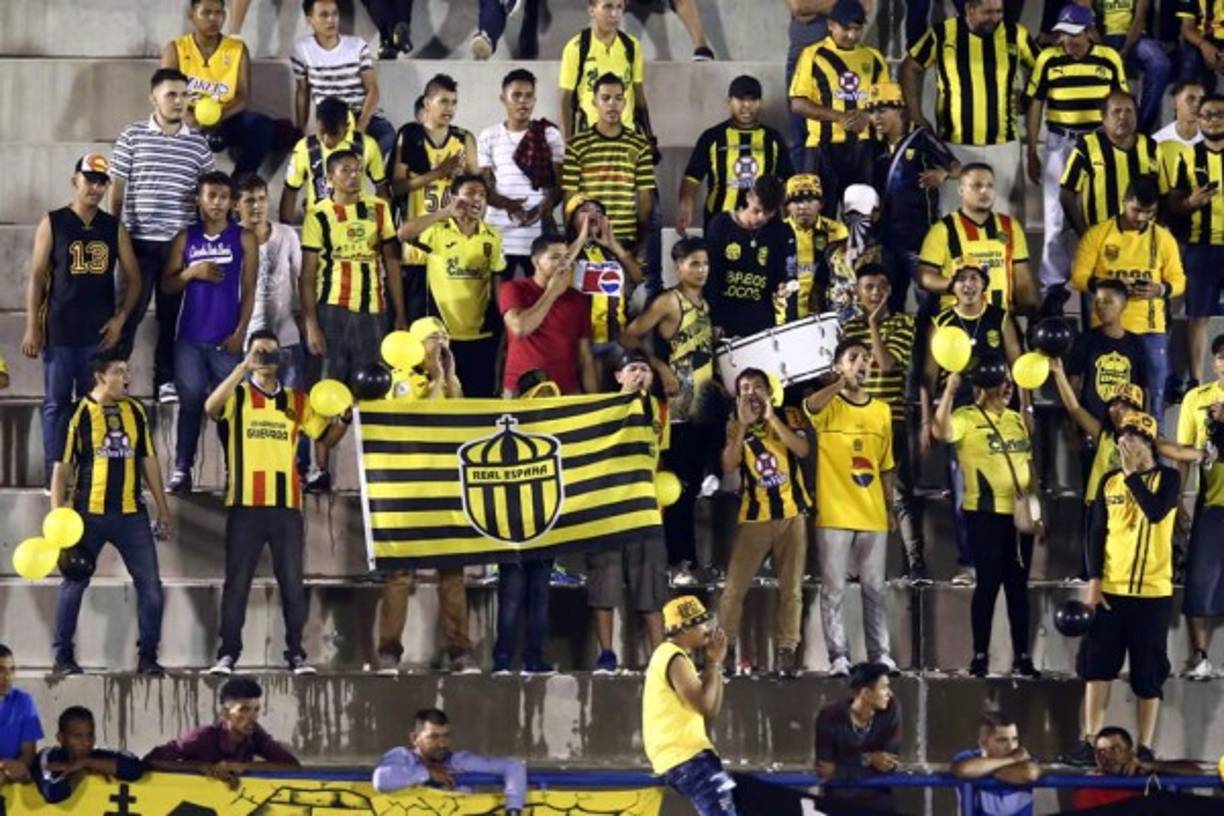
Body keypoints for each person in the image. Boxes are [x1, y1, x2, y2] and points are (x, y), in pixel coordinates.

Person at [206, 331, 351, 676]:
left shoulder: (297, 401)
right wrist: (242, 367)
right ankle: (228, 654)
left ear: (282, 358)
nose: (265, 358)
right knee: (236, 582)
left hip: (286, 505)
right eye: (259, 352)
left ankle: (296, 654)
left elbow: (326, 439)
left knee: (291, 583)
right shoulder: (238, 397)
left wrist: (343, 420)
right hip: (245, 503)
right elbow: (211, 408)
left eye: (271, 352)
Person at [1064, 410, 1178, 766]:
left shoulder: (1168, 479)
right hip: (1111, 591)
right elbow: (1096, 533)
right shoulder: (1109, 481)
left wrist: (1132, 476)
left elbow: (1156, 511)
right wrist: (1093, 582)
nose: (1124, 445)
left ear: (1148, 444)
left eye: (1132, 439)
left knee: (1147, 673)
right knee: (1097, 666)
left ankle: (1143, 745)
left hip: (1152, 593)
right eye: (1121, 439)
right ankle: (1088, 740)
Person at [22, 154, 142, 484]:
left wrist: (120, 319)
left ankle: (90, 474)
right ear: (75, 180)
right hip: (59, 329)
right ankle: (54, 475)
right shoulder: (54, 221)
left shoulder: (111, 227)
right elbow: (35, 277)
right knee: (57, 405)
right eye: (89, 179)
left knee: (95, 406)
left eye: (102, 181)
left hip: (98, 335)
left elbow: (135, 278)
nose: (95, 186)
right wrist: (32, 325)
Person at [51, 351, 173, 676]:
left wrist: (163, 507)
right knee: (73, 582)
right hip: (87, 514)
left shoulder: (135, 410)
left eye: (127, 371)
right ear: (101, 376)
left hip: (132, 515)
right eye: (120, 372)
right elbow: (62, 468)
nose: (127, 377)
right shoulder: (78, 413)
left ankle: (148, 657)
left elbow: (148, 459)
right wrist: (57, 517)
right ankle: (63, 657)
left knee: (151, 586)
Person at [375, 317, 479, 676]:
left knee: (452, 574)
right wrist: (436, 378)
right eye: (435, 337)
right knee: (400, 575)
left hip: (445, 487)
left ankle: (460, 652)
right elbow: (423, 422)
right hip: (407, 489)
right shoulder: (400, 381)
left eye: (445, 336)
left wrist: (448, 378)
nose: (442, 343)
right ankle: (389, 651)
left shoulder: (452, 382)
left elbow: (459, 421)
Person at [301, 149, 405, 492]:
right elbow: (308, 275)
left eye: (358, 170)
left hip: (373, 310)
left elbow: (391, 264)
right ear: (329, 178)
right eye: (346, 170)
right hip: (332, 310)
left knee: (374, 387)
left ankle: (379, 472)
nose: (354, 176)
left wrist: (400, 314)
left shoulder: (379, 209)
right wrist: (311, 324)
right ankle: (320, 470)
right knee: (328, 389)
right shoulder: (317, 215)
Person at [110, 68, 217, 402]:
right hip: (138, 242)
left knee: (172, 316)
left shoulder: (199, 146)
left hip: (178, 245)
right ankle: (111, 376)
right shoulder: (133, 136)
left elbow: (206, 196)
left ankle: (165, 382)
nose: (178, 101)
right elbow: (118, 192)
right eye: (171, 94)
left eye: (184, 95)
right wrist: (118, 236)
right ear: (153, 98)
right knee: (127, 314)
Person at [933, 361, 1041, 678]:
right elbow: (940, 432)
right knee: (988, 586)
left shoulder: (1015, 420)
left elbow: (1028, 464)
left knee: (1019, 588)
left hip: (1019, 518)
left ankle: (1023, 656)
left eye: (1010, 382)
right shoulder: (966, 417)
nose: (1008, 387)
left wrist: (1037, 510)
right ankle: (980, 654)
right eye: (1002, 382)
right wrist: (950, 392)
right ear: (984, 385)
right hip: (985, 514)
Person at [921, 265, 1024, 585]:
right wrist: (927, 418)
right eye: (961, 279)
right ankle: (968, 562)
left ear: (984, 286)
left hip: (999, 409)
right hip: (960, 410)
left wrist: (1027, 408)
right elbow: (926, 376)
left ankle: (1009, 558)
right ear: (952, 286)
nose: (967, 285)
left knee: (1009, 484)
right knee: (962, 488)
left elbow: (1018, 363)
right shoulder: (941, 322)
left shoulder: (1000, 318)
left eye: (974, 279)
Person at [622, 238, 716, 578]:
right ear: (678, 266)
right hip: (677, 408)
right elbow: (629, 335)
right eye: (694, 263)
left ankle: (687, 558)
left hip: (702, 405)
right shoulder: (668, 301)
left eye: (705, 263)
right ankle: (677, 560)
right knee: (676, 487)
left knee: (692, 486)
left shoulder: (704, 304)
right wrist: (659, 367)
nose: (701, 270)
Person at [1025, 5, 1129, 305]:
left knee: (1101, 215)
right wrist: (1032, 149)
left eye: (1074, 34)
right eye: (1063, 34)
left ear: (1089, 32)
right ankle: (1054, 287)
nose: (1068, 41)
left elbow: (1120, 102)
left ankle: (1104, 275)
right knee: (1055, 218)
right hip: (1061, 141)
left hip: (1098, 141)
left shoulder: (1108, 59)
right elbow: (1035, 105)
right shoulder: (1048, 59)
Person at [160, 171, 257, 493]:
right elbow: (168, 285)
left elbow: (250, 288)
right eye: (211, 195)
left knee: (229, 407)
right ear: (199, 199)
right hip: (189, 337)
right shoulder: (186, 238)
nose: (217, 202)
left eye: (224, 197)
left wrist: (241, 332)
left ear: (232, 202)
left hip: (226, 337)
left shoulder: (244, 238)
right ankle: (182, 469)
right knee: (190, 405)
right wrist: (192, 271)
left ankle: (235, 471)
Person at [806, 338, 897, 676]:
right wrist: (840, 383)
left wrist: (889, 508)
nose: (863, 364)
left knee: (875, 588)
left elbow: (885, 465)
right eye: (854, 358)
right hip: (835, 513)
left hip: (872, 513)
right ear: (838, 366)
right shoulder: (827, 405)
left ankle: (881, 655)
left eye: (867, 359)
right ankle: (838, 657)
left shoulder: (882, 410)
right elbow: (811, 408)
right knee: (834, 590)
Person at [901, 0, 1039, 215]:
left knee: (1001, 218)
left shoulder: (1016, 34)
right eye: (988, 12)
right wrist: (915, 114)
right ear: (969, 10)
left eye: (999, 11)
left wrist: (1028, 97)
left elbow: (1042, 68)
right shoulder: (942, 34)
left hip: (1003, 147)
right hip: (955, 147)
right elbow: (909, 67)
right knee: (954, 216)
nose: (995, 18)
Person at [717, 368, 810, 676]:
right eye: (744, 387)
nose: (751, 392)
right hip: (755, 517)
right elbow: (728, 465)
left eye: (757, 386)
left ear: (769, 392)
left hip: (791, 515)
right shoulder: (733, 425)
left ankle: (787, 652)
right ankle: (724, 651)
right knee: (733, 588)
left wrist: (772, 418)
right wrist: (742, 426)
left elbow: (802, 449)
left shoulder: (790, 416)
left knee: (791, 589)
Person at [1071, 176, 1185, 421]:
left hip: (1150, 329)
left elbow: (1179, 280)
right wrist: (1112, 287)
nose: (1142, 218)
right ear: (1124, 202)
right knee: (1104, 396)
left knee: (1153, 397)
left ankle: (1151, 450)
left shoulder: (1163, 238)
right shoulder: (1099, 234)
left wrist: (1160, 290)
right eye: (1136, 210)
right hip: (1106, 331)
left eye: (1149, 212)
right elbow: (1079, 277)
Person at [586, 349, 668, 673]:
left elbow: (660, 455)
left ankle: (660, 658)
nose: (639, 374)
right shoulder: (601, 409)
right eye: (632, 369)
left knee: (651, 589)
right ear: (618, 376)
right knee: (603, 586)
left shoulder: (658, 411)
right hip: (607, 511)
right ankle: (606, 654)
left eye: (644, 369)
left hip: (646, 511)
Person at [841, 264, 924, 581]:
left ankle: (915, 564)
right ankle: (854, 567)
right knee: (856, 494)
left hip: (891, 420)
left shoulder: (904, 323)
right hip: (856, 422)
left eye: (880, 287)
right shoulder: (849, 329)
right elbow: (846, 374)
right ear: (858, 293)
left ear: (890, 291)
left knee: (900, 495)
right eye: (868, 288)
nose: (874, 293)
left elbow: (888, 364)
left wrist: (875, 326)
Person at [397, 174, 506, 398]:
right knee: (445, 394)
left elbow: (497, 281)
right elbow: (403, 233)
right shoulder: (438, 231)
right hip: (444, 337)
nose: (477, 199)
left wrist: (501, 321)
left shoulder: (492, 237)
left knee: (479, 398)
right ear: (454, 197)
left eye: (482, 195)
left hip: (481, 335)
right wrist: (445, 212)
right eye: (470, 194)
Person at [865, 82, 960, 314]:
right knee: (891, 303)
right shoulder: (874, 147)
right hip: (887, 239)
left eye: (882, 110)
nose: (876, 117)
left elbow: (958, 168)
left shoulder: (921, 137)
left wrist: (943, 174)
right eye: (871, 111)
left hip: (920, 239)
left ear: (899, 110)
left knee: (928, 304)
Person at [393, 73, 480, 322]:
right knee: (418, 328)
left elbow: (477, 190)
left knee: (453, 328)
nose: (450, 108)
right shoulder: (410, 135)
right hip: (417, 250)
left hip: (455, 250)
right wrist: (438, 173)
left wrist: (465, 180)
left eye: (454, 102)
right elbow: (397, 188)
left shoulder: (464, 138)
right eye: (443, 101)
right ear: (427, 103)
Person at [789, 0, 888, 216]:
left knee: (863, 222)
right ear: (831, 25)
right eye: (846, 28)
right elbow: (797, 103)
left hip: (863, 149)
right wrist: (840, 117)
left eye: (857, 29)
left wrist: (868, 117)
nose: (852, 35)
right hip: (823, 149)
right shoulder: (812, 55)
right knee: (820, 223)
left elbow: (886, 104)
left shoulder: (873, 58)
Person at [643, 596, 737, 816]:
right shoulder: (672, 657)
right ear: (683, 629)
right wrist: (713, 663)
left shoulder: (677, 658)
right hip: (687, 758)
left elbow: (712, 709)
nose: (707, 629)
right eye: (700, 623)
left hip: (686, 758)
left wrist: (716, 663)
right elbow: (705, 705)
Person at [161, 0, 276, 176]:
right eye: (206, 13)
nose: (214, 18)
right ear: (191, 16)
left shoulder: (237, 49)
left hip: (226, 117)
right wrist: (189, 117)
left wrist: (219, 116)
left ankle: (240, 183)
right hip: (188, 118)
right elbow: (166, 94)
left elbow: (243, 97)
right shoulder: (175, 49)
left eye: (219, 13)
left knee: (261, 126)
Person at [678, 75, 793, 235]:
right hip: (720, 221)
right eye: (740, 99)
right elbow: (692, 176)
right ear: (729, 102)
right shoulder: (712, 137)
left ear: (760, 103)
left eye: (753, 100)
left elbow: (787, 180)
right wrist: (686, 204)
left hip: (764, 223)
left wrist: (786, 215)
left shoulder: (773, 138)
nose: (747, 105)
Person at [478, 68, 564, 280]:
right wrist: (509, 205)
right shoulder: (489, 136)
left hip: (537, 237)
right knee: (495, 305)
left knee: (536, 301)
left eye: (528, 96)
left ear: (534, 100)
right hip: (497, 234)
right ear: (503, 99)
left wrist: (539, 211)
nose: (523, 101)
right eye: (516, 95)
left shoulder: (549, 135)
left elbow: (560, 185)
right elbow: (484, 188)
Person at [917, 163, 1038, 314]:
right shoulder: (942, 229)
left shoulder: (1011, 226)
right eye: (977, 185)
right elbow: (924, 275)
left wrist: (1032, 314)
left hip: (1001, 319)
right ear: (961, 190)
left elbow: (1022, 277)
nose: (984, 191)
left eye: (990, 186)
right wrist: (955, 285)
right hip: (957, 320)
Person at [561, 73, 656, 260]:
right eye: (605, 98)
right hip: (587, 239)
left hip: (624, 239)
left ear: (625, 103)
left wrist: (641, 241)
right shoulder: (577, 145)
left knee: (623, 289)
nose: (612, 104)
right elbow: (569, 195)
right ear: (595, 102)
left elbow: (645, 197)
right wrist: (572, 237)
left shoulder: (640, 145)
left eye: (618, 98)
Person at [145, 676, 300, 786]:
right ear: (225, 714)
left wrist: (243, 767)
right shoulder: (202, 736)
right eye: (244, 710)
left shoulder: (256, 734)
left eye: (256, 710)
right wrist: (202, 767)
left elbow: (292, 766)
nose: (252, 717)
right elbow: (151, 761)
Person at [1169, 93, 1224, 395]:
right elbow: (1174, 204)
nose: (1213, 119)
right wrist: (1191, 202)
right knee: (1197, 316)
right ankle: (1195, 381)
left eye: (1219, 114)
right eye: (1207, 114)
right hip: (1200, 247)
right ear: (1198, 119)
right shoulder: (1187, 157)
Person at [292, 0, 394, 159]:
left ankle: (356, 168)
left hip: (361, 113)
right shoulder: (302, 49)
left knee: (387, 136)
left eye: (334, 14)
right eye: (324, 15)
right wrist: (300, 129)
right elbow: (302, 91)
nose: (331, 20)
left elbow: (372, 89)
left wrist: (360, 127)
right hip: (329, 117)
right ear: (309, 19)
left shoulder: (357, 46)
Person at [373, 708, 526, 814]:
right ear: (414, 738)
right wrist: (428, 773)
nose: (442, 743)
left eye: (446, 736)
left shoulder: (458, 761)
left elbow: (512, 766)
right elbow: (382, 780)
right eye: (433, 737)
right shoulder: (402, 756)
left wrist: (513, 810)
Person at [1178, 336, 1224, 680]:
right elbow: (1182, 455)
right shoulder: (1196, 399)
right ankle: (1200, 656)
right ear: (1214, 362)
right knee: (1198, 583)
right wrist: (1178, 499)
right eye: (1222, 357)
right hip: (1211, 504)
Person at [500, 234, 598, 396]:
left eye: (567, 257)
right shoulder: (513, 289)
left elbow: (585, 356)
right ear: (536, 262)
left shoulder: (578, 298)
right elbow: (520, 328)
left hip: (566, 388)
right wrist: (552, 292)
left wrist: (595, 400)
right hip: (521, 389)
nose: (563, 264)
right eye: (555, 257)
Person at [236, 174, 306, 394]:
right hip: (247, 340)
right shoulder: (230, 238)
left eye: (262, 199)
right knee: (251, 411)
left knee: (294, 405)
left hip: (286, 337)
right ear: (236, 205)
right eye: (249, 200)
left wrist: (307, 319)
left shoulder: (287, 235)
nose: (257, 206)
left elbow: (303, 278)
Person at [1060, 92, 1160, 244]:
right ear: (1104, 117)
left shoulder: (1151, 147)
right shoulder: (1087, 146)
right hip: (1100, 240)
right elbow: (1066, 194)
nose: (1123, 117)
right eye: (1116, 111)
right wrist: (1084, 234)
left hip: (1142, 241)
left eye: (1129, 111)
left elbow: (1164, 193)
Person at [704, 175, 794, 339]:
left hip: (761, 319)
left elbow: (782, 273)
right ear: (749, 197)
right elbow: (711, 277)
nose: (761, 218)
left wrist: (783, 285)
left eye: (768, 213)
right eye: (757, 210)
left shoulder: (780, 232)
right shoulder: (720, 224)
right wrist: (714, 320)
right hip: (725, 315)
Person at [280, 96, 389, 225]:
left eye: (334, 134)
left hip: (357, 226)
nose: (326, 140)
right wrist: (285, 229)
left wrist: (383, 229)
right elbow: (290, 191)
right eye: (322, 132)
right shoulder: (304, 148)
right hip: (317, 227)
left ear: (347, 127)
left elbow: (382, 190)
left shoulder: (367, 146)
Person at [558, 0, 653, 142]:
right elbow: (565, 99)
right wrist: (567, 141)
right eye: (608, 6)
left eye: (619, 7)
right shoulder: (577, 47)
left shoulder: (632, 46)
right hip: (590, 139)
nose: (614, 14)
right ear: (592, 10)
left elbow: (638, 94)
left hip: (627, 139)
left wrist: (649, 136)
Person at [814, 662, 901, 810]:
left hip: (878, 799)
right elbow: (824, 769)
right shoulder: (830, 715)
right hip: (838, 800)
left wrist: (843, 767)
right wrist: (870, 759)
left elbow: (888, 764)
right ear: (866, 693)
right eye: (884, 687)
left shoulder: (891, 708)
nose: (889, 693)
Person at [566, 194, 644, 357]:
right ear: (571, 220)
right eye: (585, 211)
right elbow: (559, 267)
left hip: (616, 334)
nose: (592, 215)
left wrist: (615, 246)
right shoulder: (563, 247)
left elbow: (638, 277)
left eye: (598, 212)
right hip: (581, 338)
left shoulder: (611, 250)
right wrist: (581, 238)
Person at [1063, 279, 1150, 424]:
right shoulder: (1086, 340)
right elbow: (1074, 383)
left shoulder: (1136, 343)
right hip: (1091, 422)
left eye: (1108, 302)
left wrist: (1143, 424)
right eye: (1098, 301)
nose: (1101, 307)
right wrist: (1073, 425)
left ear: (1123, 305)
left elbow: (1145, 388)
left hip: (1126, 426)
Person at [1071, 726, 1203, 809]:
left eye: (1115, 749)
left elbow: (1196, 772)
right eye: (1101, 752)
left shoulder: (1148, 775)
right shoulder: (1087, 786)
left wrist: (1151, 765)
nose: (1108, 757)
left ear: (1130, 752)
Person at [35, 706, 143, 804]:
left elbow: (136, 768)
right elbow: (52, 793)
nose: (86, 743)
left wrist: (86, 762)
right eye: (78, 736)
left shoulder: (97, 754)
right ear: (61, 738)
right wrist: (80, 773)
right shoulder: (48, 756)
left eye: (90, 735)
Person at [1093, 0, 1171, 134]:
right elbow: (1086, 20)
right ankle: (1101, 124)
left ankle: (1141, 128)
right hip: (1101, 38)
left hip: (1134, 37)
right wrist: (1106, 52)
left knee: (1160, 64)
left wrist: (1125, 50)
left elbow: (1139, 20)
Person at [778, 173, 846, 320]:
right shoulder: (775, 232)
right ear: (787, 206)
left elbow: (843, 278)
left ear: (821, 204)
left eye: (809, 200)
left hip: (827, 316)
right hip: (782, 320)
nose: (802, 207)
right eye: (796, 201)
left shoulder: (837, 231)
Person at [951, 712, 1041, 816]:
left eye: (1015, 739)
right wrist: (1012, 758)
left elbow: (1031, 773)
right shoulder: (969, 757)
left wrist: (983, 771)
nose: (1011, 746)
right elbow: (964, 769)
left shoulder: (1023, 761)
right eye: (1002, 740)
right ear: (983, 743)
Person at [0, 645, 41, 786]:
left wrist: (12, 769)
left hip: (11, 775)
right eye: (1, 670)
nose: (7, 677)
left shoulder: (24, 701)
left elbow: (28, 753)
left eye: (11, 670)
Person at [1178, 0, 1224, 91]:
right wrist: (1204, 46)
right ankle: (1186, 97)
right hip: (1200, 40)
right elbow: (1187, 29)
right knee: (1191, 59)